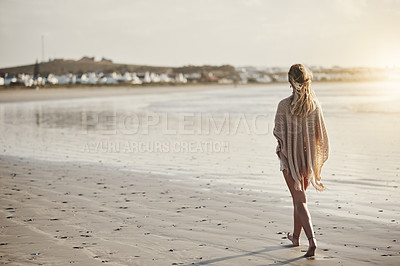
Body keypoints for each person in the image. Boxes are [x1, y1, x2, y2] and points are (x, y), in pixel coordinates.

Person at [273, 64, 329, 257]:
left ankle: (312, 240)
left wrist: (286, 151)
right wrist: (309, 157)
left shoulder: (283, 105)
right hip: (306, 160)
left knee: (299, 200)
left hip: (289, 160)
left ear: (291, 81)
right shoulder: (314, 106)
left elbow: (278, 134)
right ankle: (296, 237)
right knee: (298, 199)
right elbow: (320, 136)